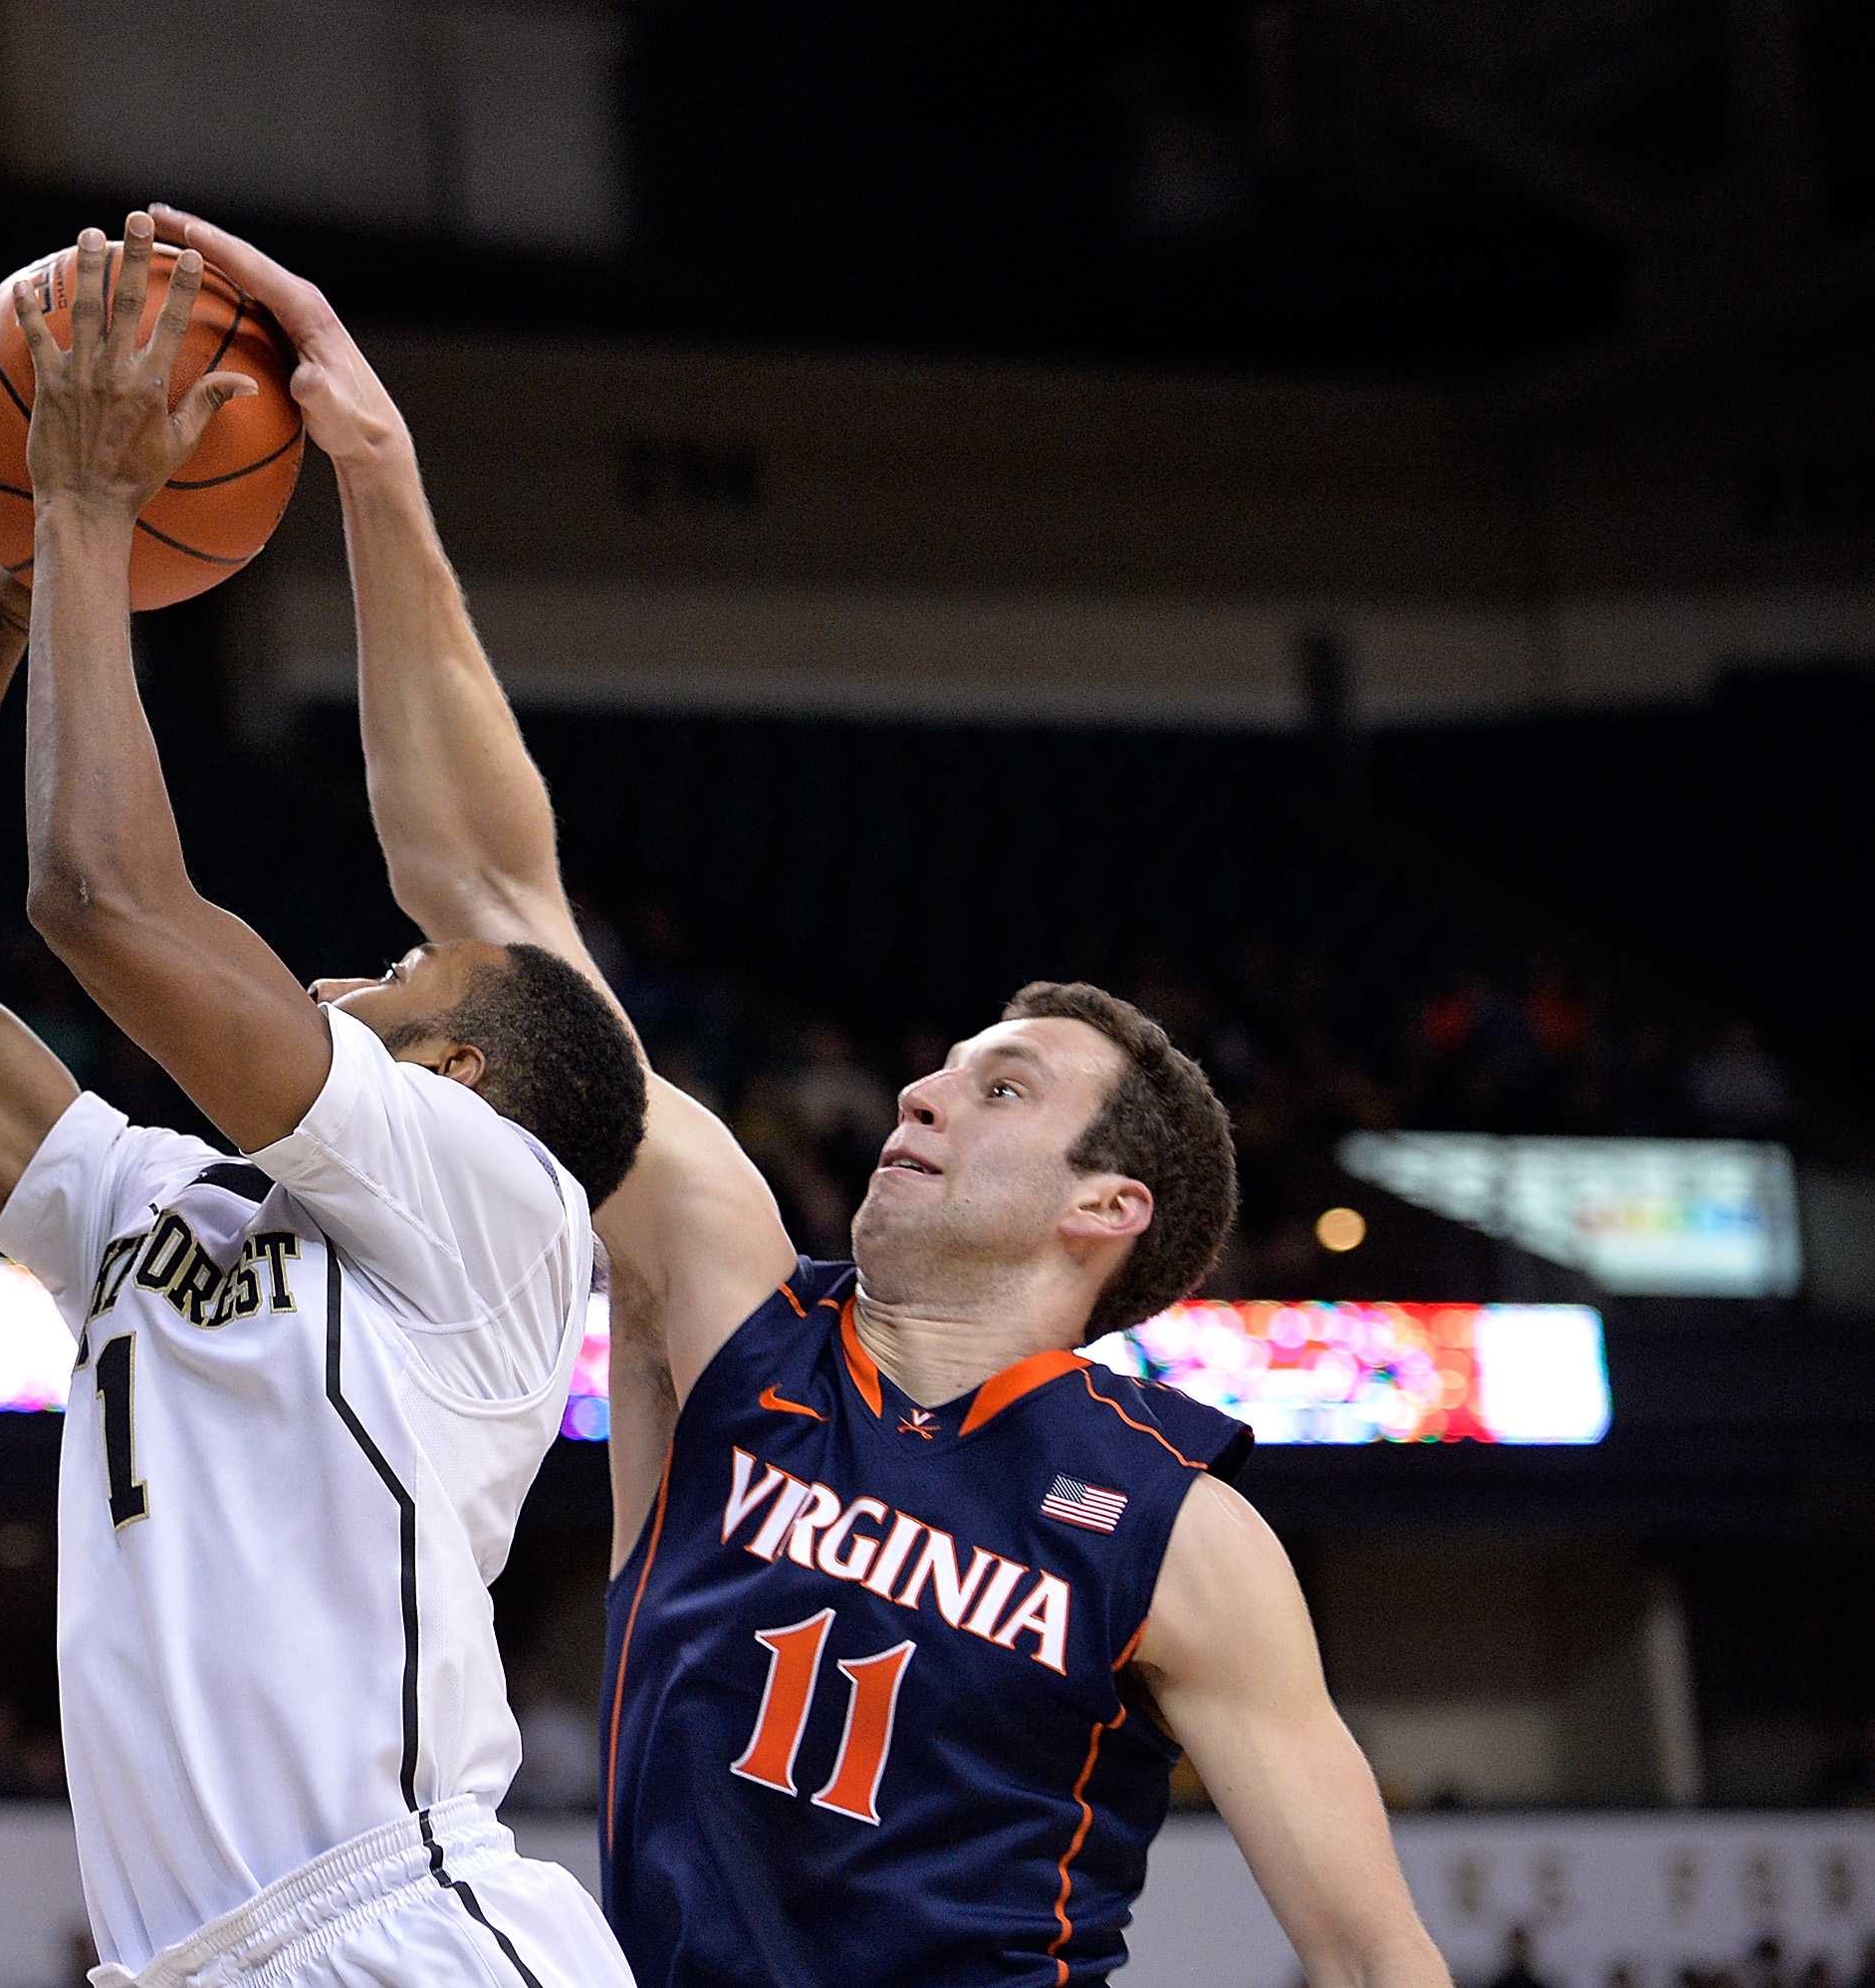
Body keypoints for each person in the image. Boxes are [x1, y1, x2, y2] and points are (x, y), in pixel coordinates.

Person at [147, 203, 1452, 1988]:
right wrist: (377, 470)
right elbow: (499, 917)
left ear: (1107, 1208)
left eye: (1000, 1089)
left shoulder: (1176, 1531)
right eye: (945, 1063)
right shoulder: (733, 1305)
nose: (922, 1090)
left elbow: (1380, 1961)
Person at [0, 214, 648, 1988]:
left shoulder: (496, 1214)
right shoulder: (151, 1217)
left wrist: (91, 512)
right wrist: (4, 604)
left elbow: (104, 901)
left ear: (468, 1079)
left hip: (407, 1930)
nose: (340, 979)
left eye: (398, 982)